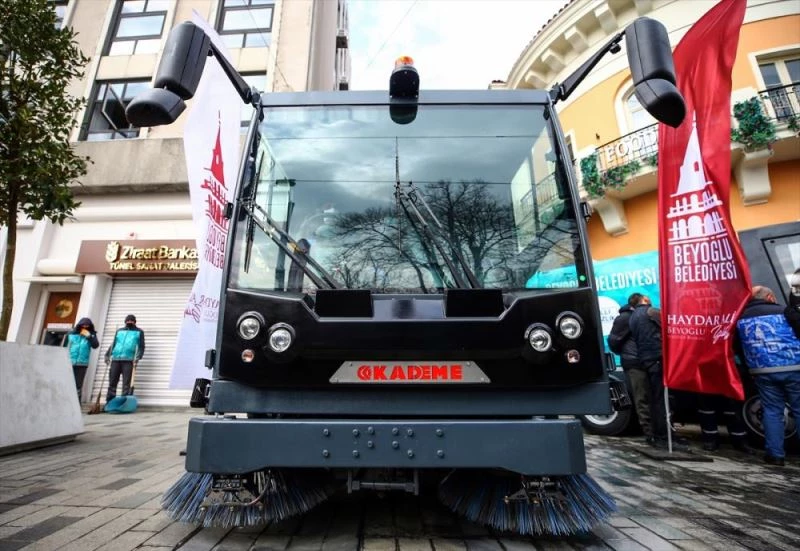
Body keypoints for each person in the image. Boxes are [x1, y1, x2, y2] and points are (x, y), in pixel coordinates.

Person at [735, 285, 800, 466]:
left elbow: (738, 347)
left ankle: (775, 455)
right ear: (770, 297)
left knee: (772, 411)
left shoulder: (740, 319)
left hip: (762, 370)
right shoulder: (785, 311)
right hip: (794, 366)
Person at [628, 295, 688, 449]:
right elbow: (671, 327)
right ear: (644, 300)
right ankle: (665, 437)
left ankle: (663, 435)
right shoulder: (651, 312)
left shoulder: (633, 317)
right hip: (658, 357)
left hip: (647, 359)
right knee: (663, 400)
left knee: (656, 400)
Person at [607, 293, 652, 443]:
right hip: (635, 362)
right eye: (646, 300)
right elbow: (614, 340)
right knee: (642, 398)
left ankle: (656, 431)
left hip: (646, 361)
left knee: (650, 397)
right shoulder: (626, 318)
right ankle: (649, 432)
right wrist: (627, 353)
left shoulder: (640, 315)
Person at [105, 314, 145, 402]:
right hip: (115, 359)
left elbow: (141, 347)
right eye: (128, 321)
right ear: (125, 321)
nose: (129, 322)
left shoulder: (139, 332)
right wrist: (107, 355)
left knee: (126, 384)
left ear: (135, 322)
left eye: (131, 321)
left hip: (129, 360)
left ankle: (123, 403)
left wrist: (138, 357)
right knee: (112, 382)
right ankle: (110, 402)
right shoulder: (119, 331)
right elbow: (114, 344)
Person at [64, 317, 99, 400]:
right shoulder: (71, 334)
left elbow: (95, 345)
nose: (85, 327)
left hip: (82, 363)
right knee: (67, 383)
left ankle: (77, 404)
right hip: (69, 362)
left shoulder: (92, 335)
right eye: (83, 325)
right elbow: (64, 346)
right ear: (79, 325)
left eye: (87, 326)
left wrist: (89, 337)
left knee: (78, 385)